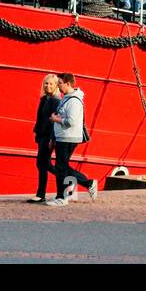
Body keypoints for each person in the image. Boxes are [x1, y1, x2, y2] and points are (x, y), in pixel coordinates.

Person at [49, 72, 97, 205]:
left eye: (60, 83)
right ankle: (88, 183)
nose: (58, 86)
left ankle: (62, 198)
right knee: (62, 167)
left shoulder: (74, 100)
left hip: (68, 138)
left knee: (61, 167)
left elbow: (71, 121)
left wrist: (55, 119)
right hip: (62, 137)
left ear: (68, 84)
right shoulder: (67, 98)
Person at [27, 74, 61, 204]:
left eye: (51, 84)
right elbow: (40, 119)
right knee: (43, 164)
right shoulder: (45, 99)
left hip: (48, 137)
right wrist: (37, 134)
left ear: (56, 86)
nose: (48, 86)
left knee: (42, 164)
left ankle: (41, 194)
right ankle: (66, 178)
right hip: (42, 135)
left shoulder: (55, 100)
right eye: (46, 83)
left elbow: (55, 122)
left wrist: (52, 139)